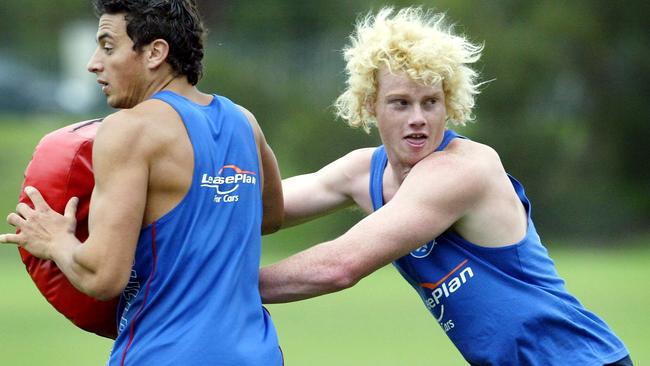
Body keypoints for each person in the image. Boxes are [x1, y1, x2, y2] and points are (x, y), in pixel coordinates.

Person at [259, 7, 632, 366]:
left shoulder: (462, 169)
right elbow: (263, 208)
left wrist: (221, 286)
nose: (418, 119)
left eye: (431, 102)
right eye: (401, 103)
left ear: (448, 102)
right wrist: (206, 196)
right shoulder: (362, 172)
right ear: (371, 105)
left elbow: (338, 266)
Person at [1, 0, 284, 364]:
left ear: (155, 52)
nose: (93, 63)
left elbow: (104, 276)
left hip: (165, 355)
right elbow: (269, 217)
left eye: (107, 46)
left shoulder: (128, 130)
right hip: (257, 354)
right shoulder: (245, 122)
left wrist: (56, 241)